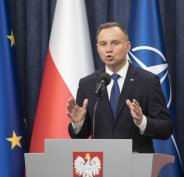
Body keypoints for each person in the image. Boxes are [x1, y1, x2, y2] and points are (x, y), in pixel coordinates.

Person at [66, 22, 172, 153]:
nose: (108, 49)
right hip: (100, 166)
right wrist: (78, 123)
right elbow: (79, 135)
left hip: (137, 166)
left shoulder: (148, 81)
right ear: (97, 47)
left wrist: (142, 121)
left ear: (128, 46)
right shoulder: (87, 84)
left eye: (115, 43)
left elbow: (166, 129)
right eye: (103, 44)